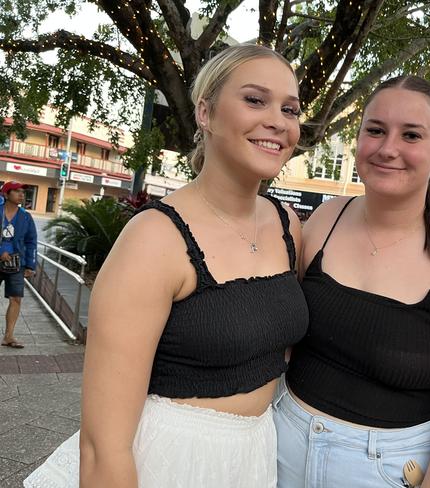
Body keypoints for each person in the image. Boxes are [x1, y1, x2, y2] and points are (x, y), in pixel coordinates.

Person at [24, 44, 308, 488]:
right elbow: (103, 446)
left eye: (289, 108)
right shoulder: (154, 239)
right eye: (255, 100)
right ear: (205, 113)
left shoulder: (287, 224)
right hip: (164, 462)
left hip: (254, 457)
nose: (278, 120)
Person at [273, 76, 430, 488]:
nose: (388, 148)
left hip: (387, 471)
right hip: (279, 450)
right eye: (375, 130)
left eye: (411, 135)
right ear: (358, 138)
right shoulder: (326, 219)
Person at [0, 181, 37, 349]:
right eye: (16, 191)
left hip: (17, 264)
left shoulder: (25, 216)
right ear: (6, 195)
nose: (21, 194)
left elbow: (31, 242)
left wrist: (30, 265)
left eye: (23, 192)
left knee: (16, 299)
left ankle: (9, 336)